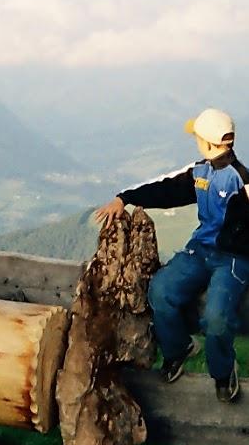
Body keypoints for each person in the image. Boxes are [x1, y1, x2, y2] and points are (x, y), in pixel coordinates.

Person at [94, 108, 248, 403]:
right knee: (161, 290)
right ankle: (179, 349)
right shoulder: (200, 172)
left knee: (216, 318)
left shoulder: (241, 180)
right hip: (200, 249)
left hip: (233, 258)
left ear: (206, 142)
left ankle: (223, 370)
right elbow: (165, 188)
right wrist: (124, 197)